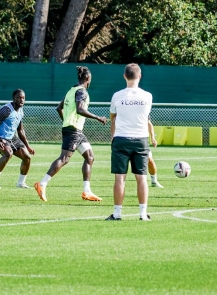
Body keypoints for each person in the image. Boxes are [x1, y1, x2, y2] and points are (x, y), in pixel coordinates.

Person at [34, 66, 107, 202]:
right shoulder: (82, 92)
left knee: (90, 157)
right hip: (74, 129)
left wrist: (66, 122)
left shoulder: (71, 91)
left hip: (74, 129)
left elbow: (59, 108)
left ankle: (87, 191)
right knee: (64, 159)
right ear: (87, 78)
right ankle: (42, 184)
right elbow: (80, 109)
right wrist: (98, 117)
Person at [106, 64, 153, 221]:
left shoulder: (117, 96)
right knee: (142, 178)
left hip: (121, 139)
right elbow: (146, 118)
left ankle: (117, 213)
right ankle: (142, 214)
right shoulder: (147, 96)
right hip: (141, 140)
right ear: (140, 76)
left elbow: (113, 118)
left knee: (120, 178)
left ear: (124, 76)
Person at [0, 89, 36, 189]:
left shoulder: (21, 110)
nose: (21, 100)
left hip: (11, 137)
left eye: (23, 98)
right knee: (8, 153)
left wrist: (28, 146)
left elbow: (20, 130)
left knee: (27, 157)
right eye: (18, 97)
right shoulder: (6, 110)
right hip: (0, 137)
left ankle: (21, 183)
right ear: (13, 98)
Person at [146, 121, 162, 188]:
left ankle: (154, 181)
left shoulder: (142, 110)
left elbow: (149, 123)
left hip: (140, 140)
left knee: (149, 160)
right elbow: (114, 119)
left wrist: (152, 138)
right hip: (125, 139)